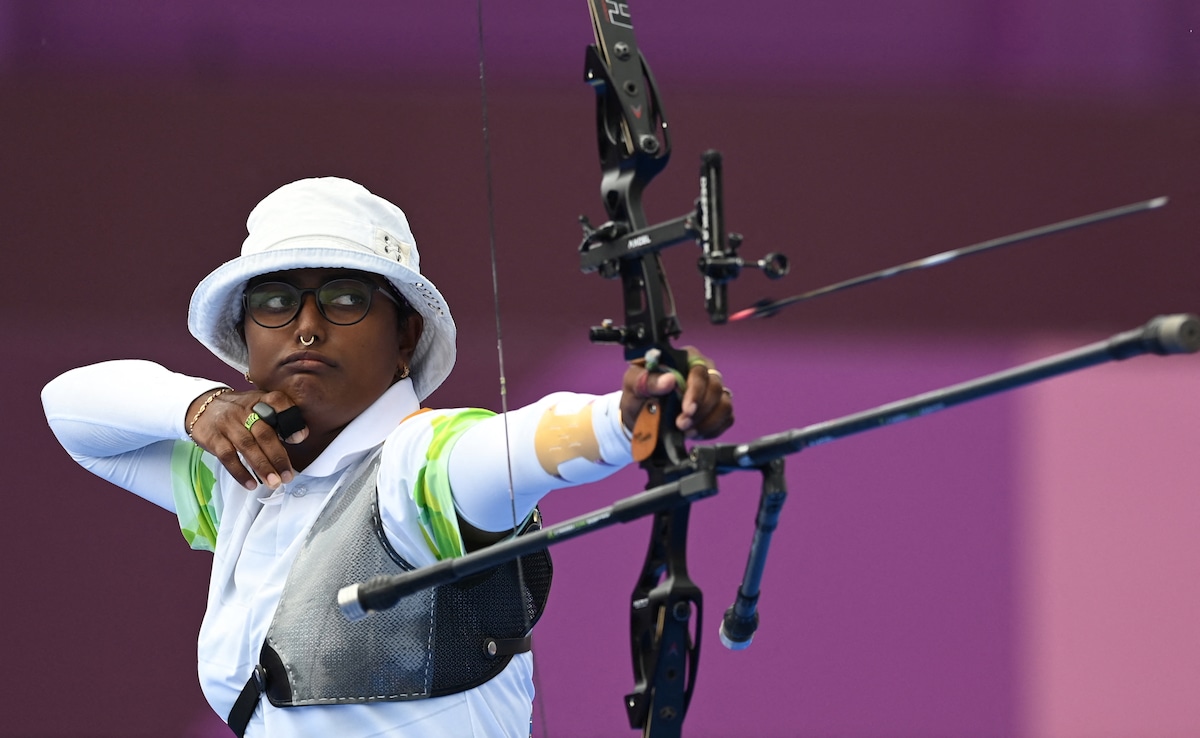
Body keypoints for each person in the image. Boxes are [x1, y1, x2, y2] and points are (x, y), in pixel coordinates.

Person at [41, 177, 734, 737]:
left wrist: (626, 416)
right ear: (245, 338)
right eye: (277, 302)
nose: (307, 326)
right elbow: (70, 409)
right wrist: (197, 407)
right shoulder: (244, 479)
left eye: (344, 298)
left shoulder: (417, 464)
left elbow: (510, 449)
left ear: (404, 336)